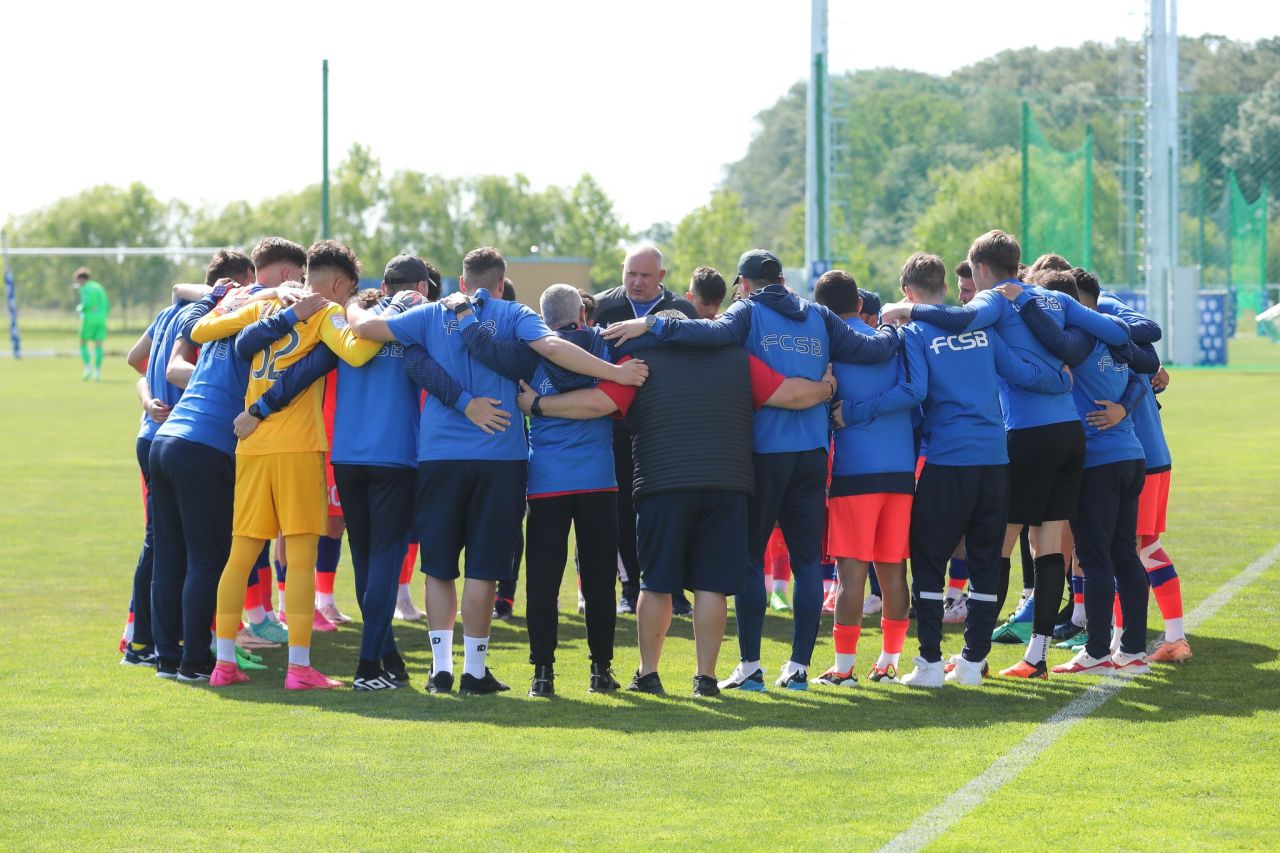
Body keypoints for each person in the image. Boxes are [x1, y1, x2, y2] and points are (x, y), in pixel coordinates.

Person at [344, 247, 648, 695]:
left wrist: (354, 301)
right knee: (485, 570)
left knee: (440, 569)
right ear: (501, 284)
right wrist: (614, 374)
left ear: (462, 283)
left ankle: (440, 669)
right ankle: (474, 671)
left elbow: (365, 328)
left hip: (440, 456)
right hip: (501, 457)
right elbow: (553, 347)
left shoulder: (430, 314)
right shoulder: (513, 313)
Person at [603, 249, 901, 691]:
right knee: (804, 563)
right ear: (782, 278)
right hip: (814, 452)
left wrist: (651, 323)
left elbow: (707, 334)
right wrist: (899, 327)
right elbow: (872, 347)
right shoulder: (819, 314)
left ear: (743, 283)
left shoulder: (747, 311)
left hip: (762, 452)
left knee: (748, 560)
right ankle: (799, 667)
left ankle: (751, 666)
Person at [516, 309, 838, 696]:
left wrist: (538, 406)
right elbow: (790, 395)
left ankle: (648, 673)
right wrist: (827, 389)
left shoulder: (640, 364)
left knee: (656, 584)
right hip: (726, 484)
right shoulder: (738, 360)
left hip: (662, 484)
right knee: (711, 586)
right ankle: (705, 678)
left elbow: (597, 404)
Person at [882, 232, 1130, 680]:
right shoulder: (1011, 318)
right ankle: (1003, 656)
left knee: (961, 555)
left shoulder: (970, 313)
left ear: (978, 270)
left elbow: (929, 370)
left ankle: (936, 662)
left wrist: (900, 315)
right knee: (1039, 545)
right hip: (1044, 441)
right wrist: (1063, 376)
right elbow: (1105, 339)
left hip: (989, 448)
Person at [244, 254, 439, 690]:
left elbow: (303, 372)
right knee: (385, 560)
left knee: (368, 559)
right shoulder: (414, 326)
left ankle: (388, 657)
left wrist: (260, 408)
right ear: (421, 289)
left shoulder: (350, 326)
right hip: (395, 458)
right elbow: (438, 374)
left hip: (347, 458)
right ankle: (369, 667)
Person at [422, 284, 624, 696]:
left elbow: (482, 349)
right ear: (583, 316)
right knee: (600, 580)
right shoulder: (604, 350)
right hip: (600, 480)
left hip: (546, 483)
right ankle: (601, 671)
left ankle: (542, 676)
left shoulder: (527, 353)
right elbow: (607, 402)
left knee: (543, 582)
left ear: (542, 321)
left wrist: (464, 312)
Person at [199, 240, 382, 690]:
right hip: (298, 447)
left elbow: (203, 332)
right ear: (340, 285)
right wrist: (367, 313)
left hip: (252, 445)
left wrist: (250, 299)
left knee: (241, 553)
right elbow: (357, 352)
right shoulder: (326, 313)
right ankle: (299, 669)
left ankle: (224, 664)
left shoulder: (270, 304)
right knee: (300, 560)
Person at [149, 239, 302, 680]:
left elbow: (190, 298)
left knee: (170, 556)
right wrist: (278, 295)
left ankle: (167, 659)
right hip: (206, 445)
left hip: (169, 437)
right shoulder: (259, 308)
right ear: (288, 278)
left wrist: (248, 293)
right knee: (205, 559)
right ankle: (196, 662)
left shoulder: (226, 308)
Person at [1000, 276, 1159, 676]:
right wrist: (1125, 405)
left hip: (1099, 462)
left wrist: (1023, 303)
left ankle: (1097, 651)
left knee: (1095, 556)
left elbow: (1057, 344)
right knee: (1124, 553)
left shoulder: (1080, 340)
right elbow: (1148, 367)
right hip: (1130, 456)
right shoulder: (1114, 339)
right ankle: (1134, 650)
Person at [811, 270, 917, 685]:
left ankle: (843, 668)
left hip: (854, 471)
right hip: (900, 469)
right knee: (893, 571)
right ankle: (889, 662)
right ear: (859, 305)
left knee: (851, 574)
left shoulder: (828, 346)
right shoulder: (892, 342)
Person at [593, 245, 698, 615]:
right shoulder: (603, 308)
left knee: (670, 509)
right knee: (621, 509)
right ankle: (629, 586)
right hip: (616, 425)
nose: (636, 283)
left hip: (666, 428)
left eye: (645, 276)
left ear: (662, 277)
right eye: (630, 274)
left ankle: (675, 590)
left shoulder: (682, 313)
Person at [74, 267, 109, 381]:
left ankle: (87, 368)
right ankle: (97, 372)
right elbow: (106, 304)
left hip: (89, 319)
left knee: (83, 342)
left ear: (81, 279)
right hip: (101, 319)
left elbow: (86, 303)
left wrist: (79, 308)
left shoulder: (85, 288)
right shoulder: (99, 287)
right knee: (98, 345)